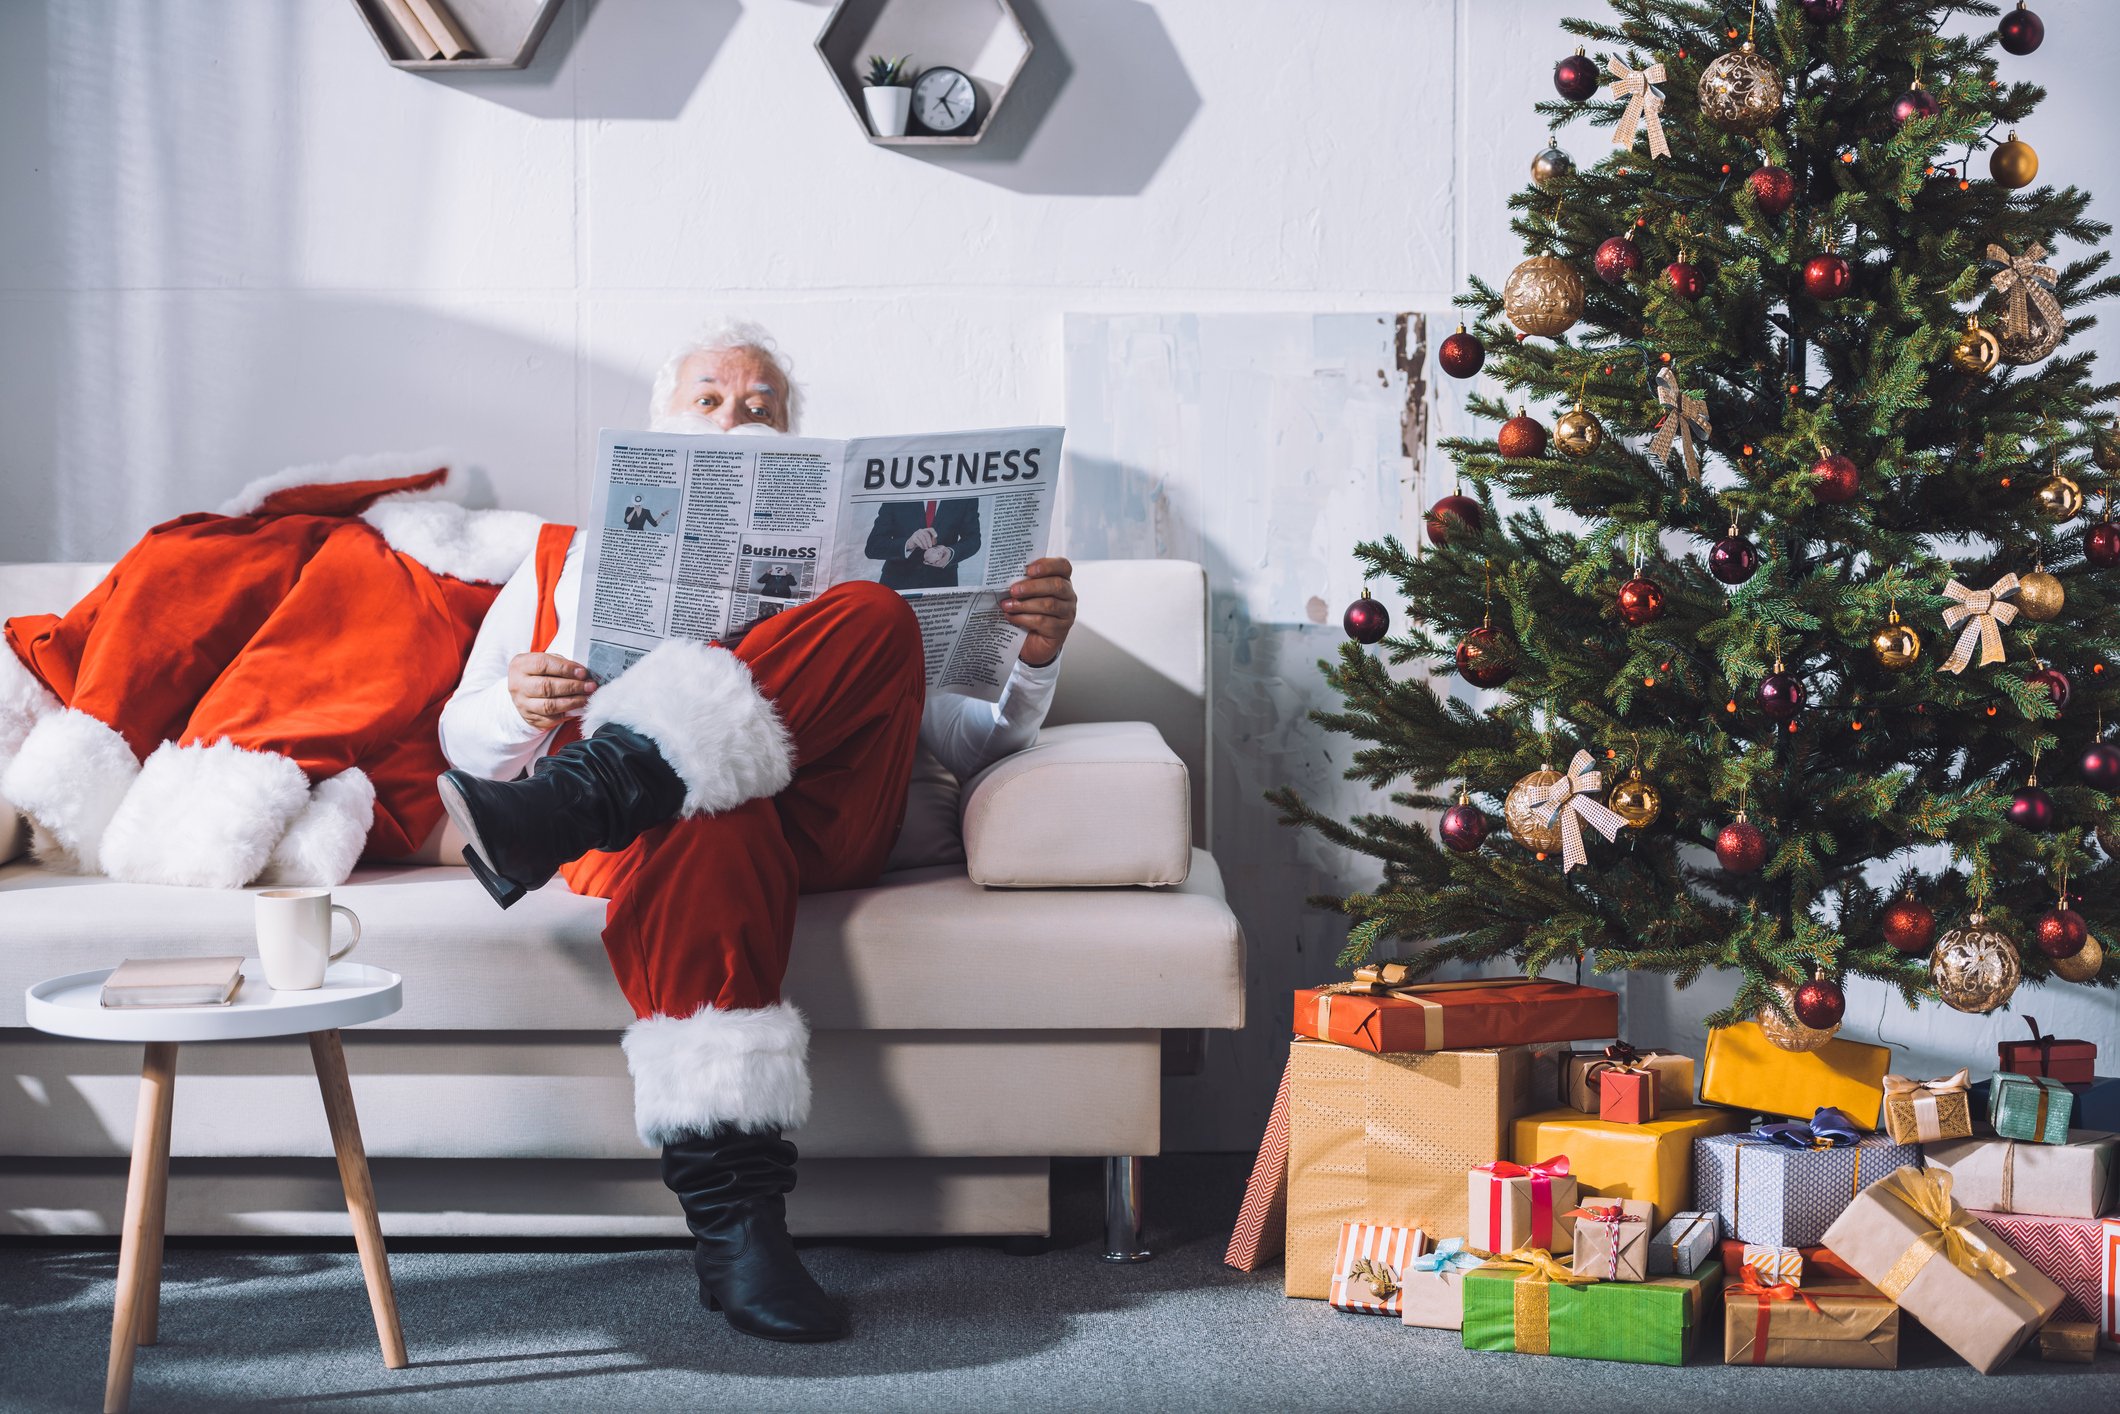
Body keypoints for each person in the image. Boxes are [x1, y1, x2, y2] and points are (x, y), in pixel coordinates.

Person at [434, 321, 1077, 1344]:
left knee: (871, 612)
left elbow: (961, 736)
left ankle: (589, 793)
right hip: (666, 844)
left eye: (760, 405)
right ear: (658, 426)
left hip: (819, 817)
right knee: (708, 810)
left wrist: (1031, 659)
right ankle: (737, 1229)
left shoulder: (840, 560)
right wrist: (517, 704)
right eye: (709, 400)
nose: (737, 416)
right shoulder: (560, 553)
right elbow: (462, 739)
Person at [864, 497, 981, 589]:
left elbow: (973, 539)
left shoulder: (964, 497)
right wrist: (908, 544)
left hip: (942, 586)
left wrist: (950, 553)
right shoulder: (897, 493)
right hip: (897, 585)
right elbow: (873, 546)